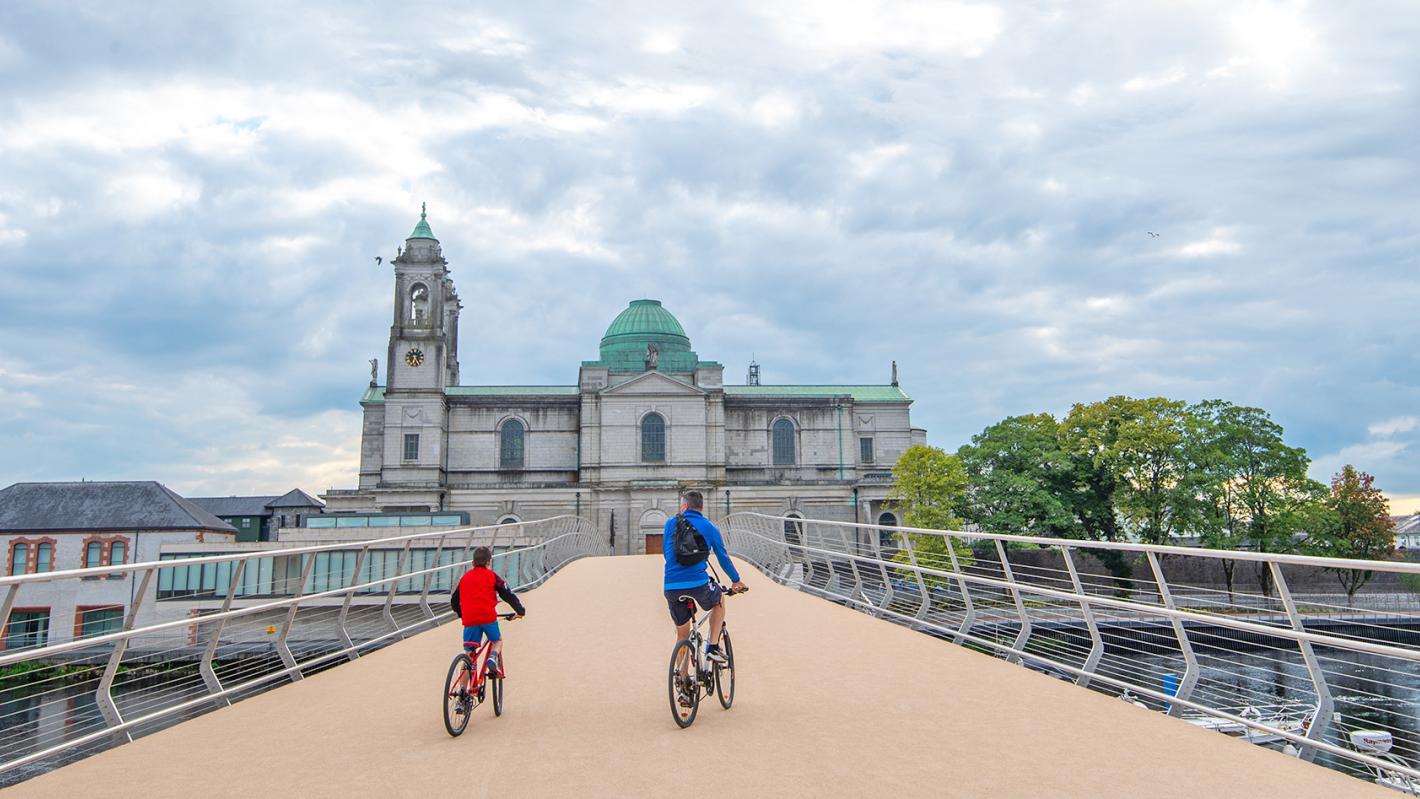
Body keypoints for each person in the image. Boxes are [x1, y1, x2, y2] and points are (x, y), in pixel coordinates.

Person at [663, 490, 747, 667]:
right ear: (701, 508)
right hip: (698, 584)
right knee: (719, 600)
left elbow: (666, 552)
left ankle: (683, 685)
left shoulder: (671, 524)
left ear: (685, 506)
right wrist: (736, 580)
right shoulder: (710, 527)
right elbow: (723, 557)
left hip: (671, 585)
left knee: (682, 635)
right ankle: (713, 648)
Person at [453, 546, 525, 676]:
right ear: (488, 562)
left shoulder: (465, 578)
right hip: (487, 617)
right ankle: (492, 657)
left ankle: (463, 691)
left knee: (469, 656)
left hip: (469, 620)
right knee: (497, 641)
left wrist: (462, 614)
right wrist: (520, 611)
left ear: (472, 563)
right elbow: (506, 594)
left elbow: (454, 601)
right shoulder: (492, 576)